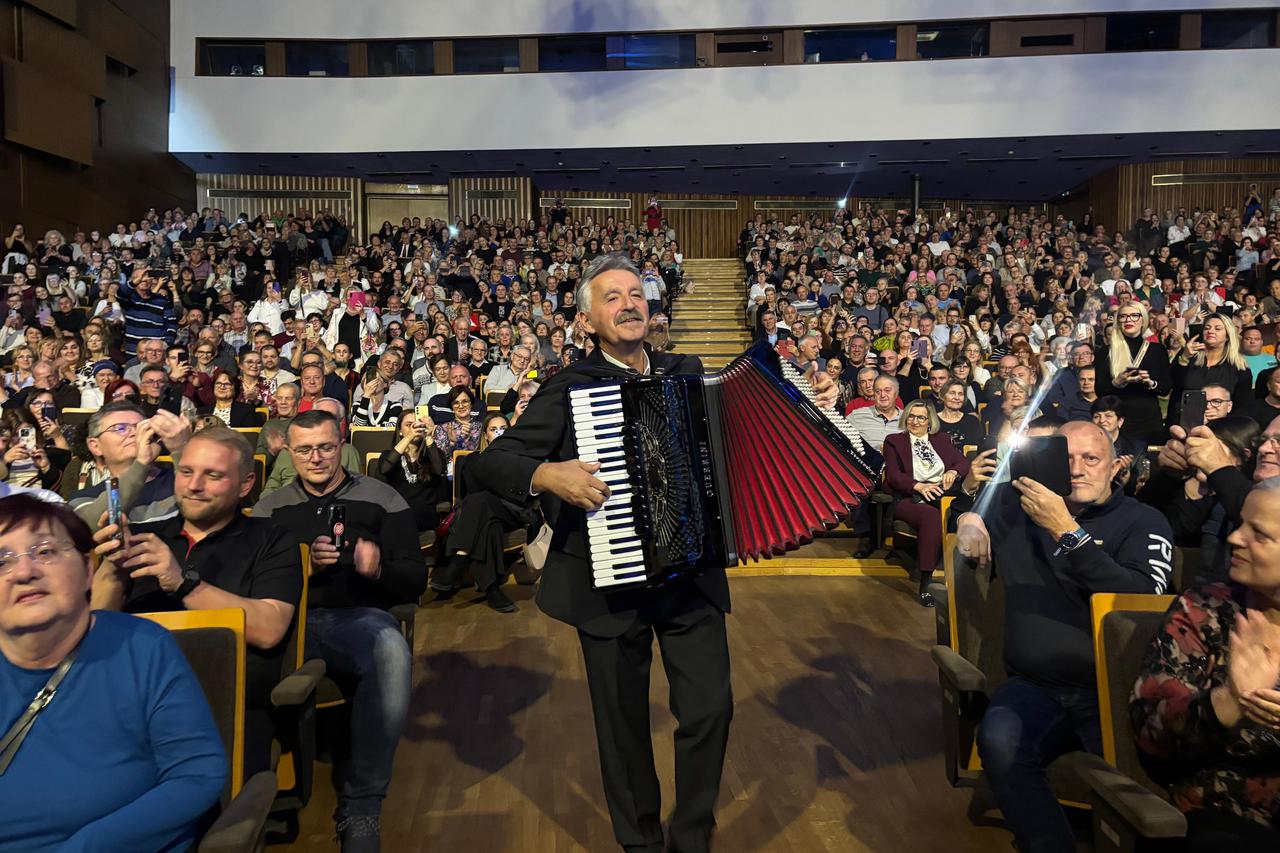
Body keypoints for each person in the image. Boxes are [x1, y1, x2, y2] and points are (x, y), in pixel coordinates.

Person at [464, 254, 836, 853]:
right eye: (611, 297)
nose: (628, 304)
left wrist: (806, 400)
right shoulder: (569, 387)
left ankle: (691, 836)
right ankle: (639, 842)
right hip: (607, 584)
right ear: (587, 321)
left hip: (689, 576)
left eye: (635, 293)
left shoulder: (687, 372)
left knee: (710, 709)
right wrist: (547, 473)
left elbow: (739, 436)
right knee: (622, 726)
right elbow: (490, 462)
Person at [955, 421, 1175, 853]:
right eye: (1066, 458)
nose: (1077, 469)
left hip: (1115, 692)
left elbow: (1141, 599)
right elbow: (968, 506)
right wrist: (968, 518)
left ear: (1115, 467)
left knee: (1152, 789)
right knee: (999, 741)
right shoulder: (1018, 506)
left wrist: (1068, 533)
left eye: (1091, 458)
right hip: (1035, 686)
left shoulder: (1143, 521)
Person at [0, 493, 226, 851]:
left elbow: (198, 774)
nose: (25, 572)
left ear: (87, 569)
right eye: (2, 561)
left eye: (45, 551)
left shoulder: (143, 648)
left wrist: (84, 848)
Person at [252, 409, 426, 850]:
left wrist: (378, 569)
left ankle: (363, 806)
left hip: (359, 617)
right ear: (290, 453)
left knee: (390, 649)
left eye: (326, 447)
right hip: (288, 620)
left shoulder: (382, 497)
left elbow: (415, 579)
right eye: (305, 450)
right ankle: (252, 792)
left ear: (342, 445)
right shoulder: (270, 507)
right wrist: (302, 568)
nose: (316, 458)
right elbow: (250, 583)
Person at [91, 427, 302, 776]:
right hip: (129, 704)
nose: (194, 485)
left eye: (213, 475)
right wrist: (113, 569)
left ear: (246, 484)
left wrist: (183, 584)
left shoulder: (272, 540)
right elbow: (96, 628)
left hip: (223, 710)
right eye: (186, 471)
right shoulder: (146, 538)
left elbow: (269, 629)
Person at [1131, 479, 1280, 849]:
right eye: (1240, 523)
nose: (1234, 538)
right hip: (1226, 819)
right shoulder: (1204, 611)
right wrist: (1228, 702)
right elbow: (1150, 736)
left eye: (1259, 534)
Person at [881, 400, 970, 607]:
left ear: (930, 421)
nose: (915, 421)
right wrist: (918, 486)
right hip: (908, 497)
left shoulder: (941, 439)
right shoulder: (895, 441)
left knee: (966, 511)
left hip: (940, 494)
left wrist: (953, 471)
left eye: (921, 417)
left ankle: (964, 577)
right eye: (911, 416)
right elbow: (893, 476)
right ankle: (926, 583)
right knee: (931, 517)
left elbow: (964, 462)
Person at [1096, 301, 1171, 445]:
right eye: (1123, 316)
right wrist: (1116, 383)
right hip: (1118, 421)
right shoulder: (1105, 352)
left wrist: (1150, 383)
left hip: (1149, 420)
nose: (1128, 320)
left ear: (1143, 319)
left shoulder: (1157, 350)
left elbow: (1166, 388)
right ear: (1118, 321)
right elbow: (1099, 391)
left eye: (1134, 315)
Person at [1168, 313, 1252, 429]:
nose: (1210, 331)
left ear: (1228, 336)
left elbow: (1242, 408)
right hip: (1182, 426)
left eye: (1217, 328)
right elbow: (1172, 383)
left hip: (1220, 429)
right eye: (1207, 328)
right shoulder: (1188, 356)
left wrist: (1223, 415)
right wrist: (1185, 357)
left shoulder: (1240, 368)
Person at [374, 409, 444, 535]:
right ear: (400, 431)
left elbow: (439, 470)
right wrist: (409, 436)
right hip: (397, 516)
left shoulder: (432, 455)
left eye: (419, 424)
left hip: (424, 519)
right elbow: (384, 469)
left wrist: (428, 436)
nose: (415, 428)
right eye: (409, 425)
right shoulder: (388, 455)